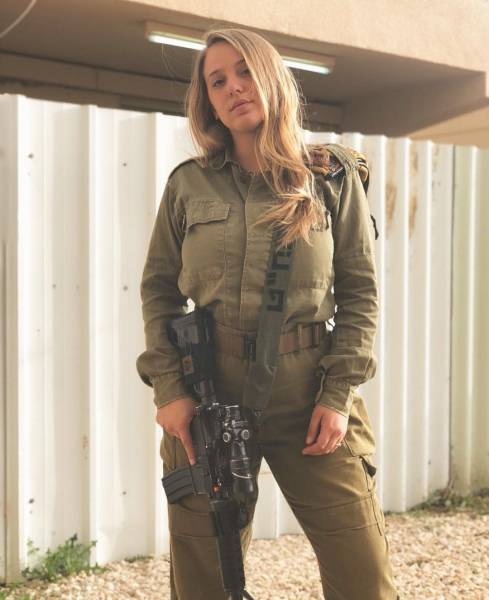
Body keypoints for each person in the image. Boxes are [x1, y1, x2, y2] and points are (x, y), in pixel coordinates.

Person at [136, 26, 399, 600]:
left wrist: (337, 395)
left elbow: (360, 292)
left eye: (245, 72)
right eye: (217, 81)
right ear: (208, 101)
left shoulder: (330, 178)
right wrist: (170, 390)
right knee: (206, 577)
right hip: (208, 389)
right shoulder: (188, 185)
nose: (233, 87)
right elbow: (158, 290)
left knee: (362, 572)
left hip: (309, 391)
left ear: (273, 78)